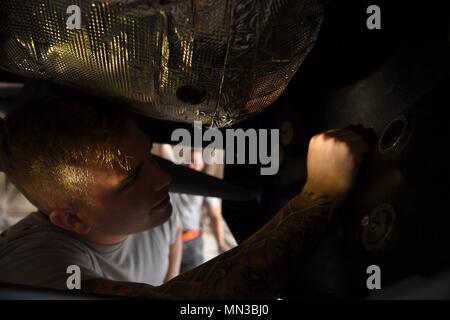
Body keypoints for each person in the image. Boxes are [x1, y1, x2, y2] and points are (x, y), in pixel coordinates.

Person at [0, 87, 368, 299]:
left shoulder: (147, 206)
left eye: (148, 156)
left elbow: (171, 242)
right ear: (71, 219)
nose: (162, 178)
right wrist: (320, 196)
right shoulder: (27, 272)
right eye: (130, 179)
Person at [169, 147, 227, 272]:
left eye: (194, 162)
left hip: (192, 244)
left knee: (193, 283)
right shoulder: (173, 179)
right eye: (188, 161)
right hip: (168, 241)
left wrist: (221, 245)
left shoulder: (207, 186)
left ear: (202, 165)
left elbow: (215, 216)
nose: (190, 165)